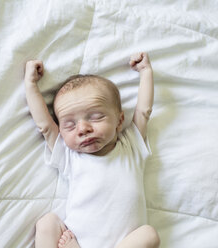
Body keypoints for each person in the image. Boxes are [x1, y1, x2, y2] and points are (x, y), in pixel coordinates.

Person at [24, 52, 160, 248]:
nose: (83, 129)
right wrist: (31, 85)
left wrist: (146, 72)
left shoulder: (131, 146)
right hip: (76, 241)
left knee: (149, 235)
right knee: (46, 224)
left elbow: (144, 111)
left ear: (120, 121)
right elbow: (45, 125)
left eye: (95, 117)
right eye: (70, 125)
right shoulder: (70, 156)